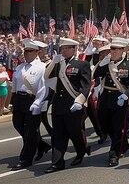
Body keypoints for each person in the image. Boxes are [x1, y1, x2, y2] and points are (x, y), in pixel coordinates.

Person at [44, 38, 91, 173]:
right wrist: (53, 62)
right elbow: (46, 77)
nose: (63, 51)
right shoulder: (58, 64)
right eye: (62, 48)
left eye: (66, 48)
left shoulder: (82, 64)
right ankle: (57, 163)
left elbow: (86, 86)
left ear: (73, 49)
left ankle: (81, 149)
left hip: (73, 104)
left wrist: (80, 101)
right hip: (58, 104)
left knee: (74, 132)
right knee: (58, 135)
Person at [93, 38, 129, 166]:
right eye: (112, 49)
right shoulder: (107, 63)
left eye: (117, 49)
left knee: (119, 128)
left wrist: (125, 95)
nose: (114, 51)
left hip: (120, 99)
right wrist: (103, 62)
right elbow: (95, 74)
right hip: (105, 98)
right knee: (105, 125)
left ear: (123, 50)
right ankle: (123, 144)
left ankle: (114, 154)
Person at [10, 39, 47, 169]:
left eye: (30, 51)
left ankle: (25, 159)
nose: (26, 54)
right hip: (19, 100)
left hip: (32, 99)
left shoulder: (42, 67)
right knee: (18, 124)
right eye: (25, 51)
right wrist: (12, 101)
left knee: (30, 132)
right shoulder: (20, 67)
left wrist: (38, 103)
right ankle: (41, 144)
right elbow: (15, 86)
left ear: (37, 52)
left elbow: (43, 87)